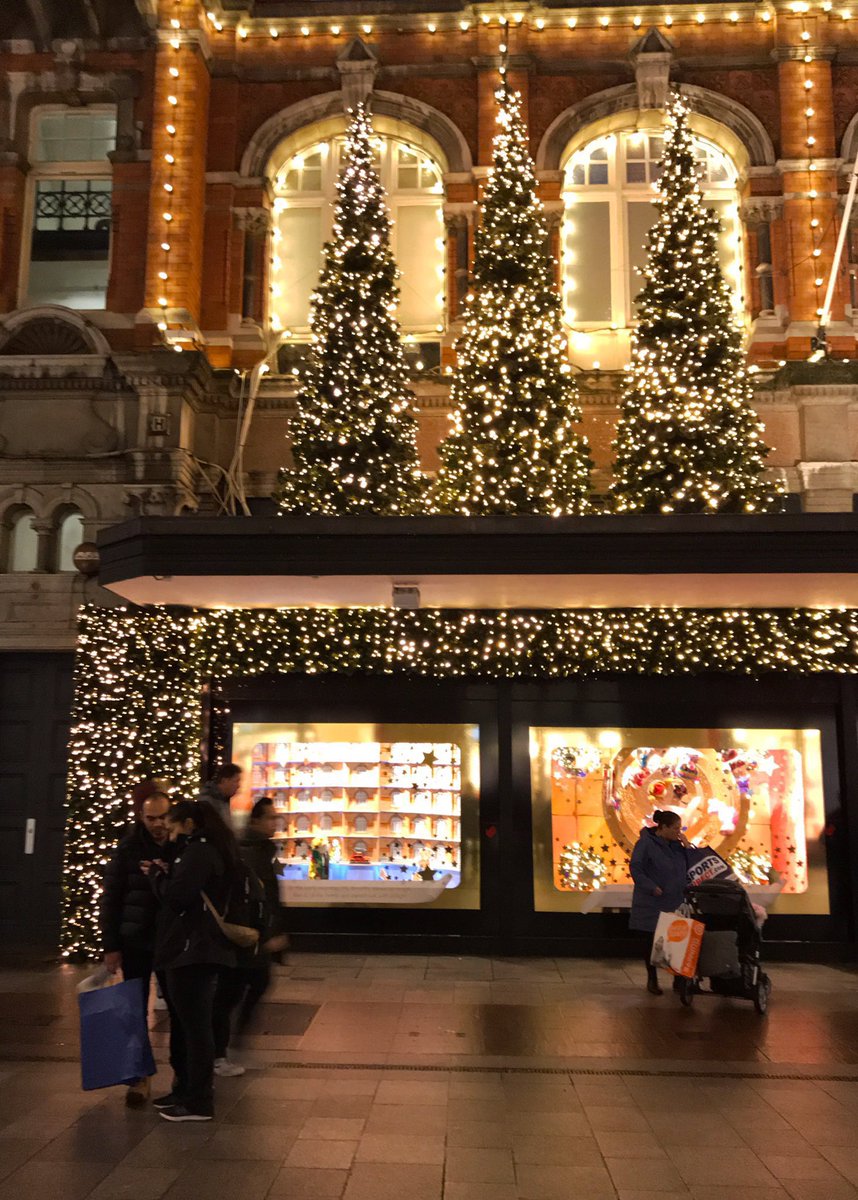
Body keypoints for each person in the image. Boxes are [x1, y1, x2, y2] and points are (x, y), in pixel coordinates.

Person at [145, 800, 238, 1122]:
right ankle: (185, 1091)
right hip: (194, 948)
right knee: (189, 1026)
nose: (168, 833)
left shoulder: (199, 852)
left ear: (188, 823)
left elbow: (177, 898)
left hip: (193, 950)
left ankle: (198, 1100)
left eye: (172, 826)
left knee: (195, 1028)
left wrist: (157, 876)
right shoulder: (206, 849)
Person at [100, 786, 174, 1107]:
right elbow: (112, 898)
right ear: (141, 818)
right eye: (151, 818)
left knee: (180, 1009)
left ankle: (184, 1075)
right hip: (136, 940)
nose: (157, 824)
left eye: (162, 817)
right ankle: (138, 1077)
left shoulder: (180, 847)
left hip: (171, 940)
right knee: (134, 1010)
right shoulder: (129, 848)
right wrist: (111, 945)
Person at [212, 796, 288, 1074]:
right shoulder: (252, 851)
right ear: (255, 820)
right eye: (270, 818)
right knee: (236, 990)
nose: (274, 823)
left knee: (241, 988)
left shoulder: (260, 849)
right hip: (250, 936)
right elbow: (256, 898)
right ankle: (222, 1051)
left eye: (276, 818)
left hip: (255, 935)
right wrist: (267, 932)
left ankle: (227, 1047)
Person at [629, 809, 690, 996]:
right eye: (675, 828)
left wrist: (687, 847)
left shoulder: (677, 846)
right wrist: (651, 886)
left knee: (677, 941)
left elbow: (690, 865)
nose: (678, 832)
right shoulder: (646, 844)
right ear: (662, 827)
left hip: (674, 900)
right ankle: (652, 979)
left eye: (680, 828)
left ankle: (679, 981)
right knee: (651, 942)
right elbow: (636, 868)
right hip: (652, 901)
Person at [197, 763, 242, 828]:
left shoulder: (222, 799)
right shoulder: (208, 801)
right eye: (236, 781)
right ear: (224, 781)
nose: (238, 786)